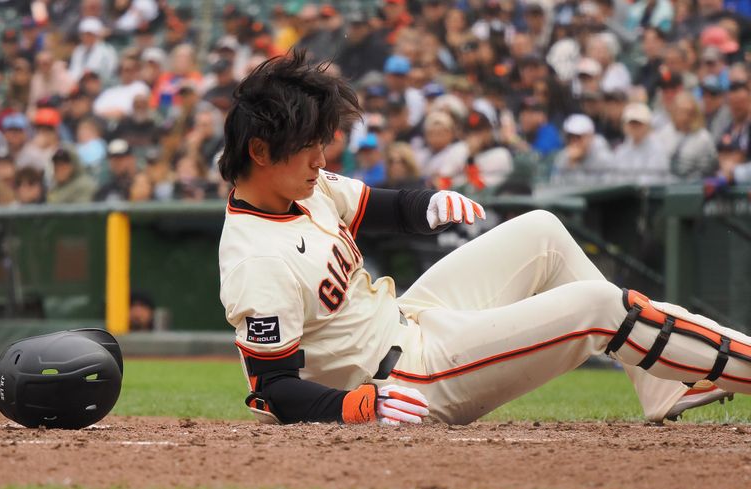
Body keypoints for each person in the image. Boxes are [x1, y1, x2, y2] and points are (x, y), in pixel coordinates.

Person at [217, 52, 744, 428]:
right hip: (408, 379)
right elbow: (272, 390)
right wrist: (358, 406)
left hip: (409, 320)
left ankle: (660, 385)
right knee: (599, 306)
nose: (321, 159)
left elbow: (380, 205)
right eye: (308, 146)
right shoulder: (256, 259)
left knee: (543, 231)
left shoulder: (302, 189)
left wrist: (428, 204)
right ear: (261, 151)